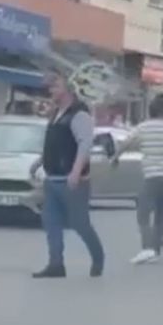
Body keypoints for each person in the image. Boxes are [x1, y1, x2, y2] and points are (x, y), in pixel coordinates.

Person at [30, 70, 104, 279]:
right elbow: (55, 144)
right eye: (50, 87)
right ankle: (56, 264)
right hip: (52, 179)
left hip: (72, 181)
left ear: (68, 90)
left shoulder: (79, 114)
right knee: (51, 223)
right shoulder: (56, 114)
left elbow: (84, 144)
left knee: (80, 224)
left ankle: (98, 257)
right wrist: (39, 162)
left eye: (56, 86)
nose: (51, 90)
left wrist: (76, 171)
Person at [115, 93, 163, 264]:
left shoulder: (143, 128)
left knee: (143, 214)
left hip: (152, 177)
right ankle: (155, 251)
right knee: (161, 215)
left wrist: (115, 157)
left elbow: (126, 143)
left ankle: (147, 248)